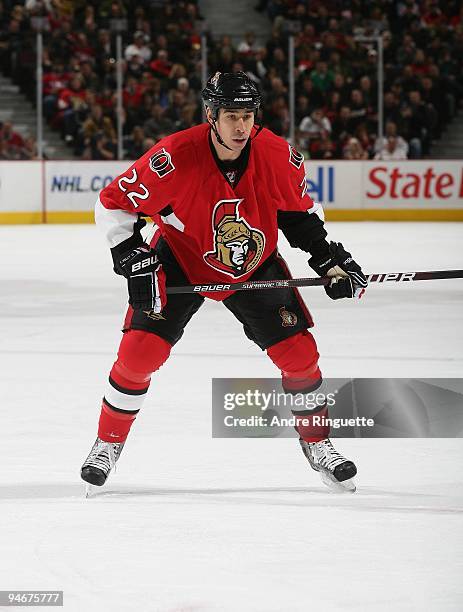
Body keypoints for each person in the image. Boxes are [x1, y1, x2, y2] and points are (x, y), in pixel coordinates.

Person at [80, 72, 368, 492]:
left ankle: (318, 443)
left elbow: (297, 214)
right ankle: (107, 443)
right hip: (182, 256)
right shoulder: (175, 156)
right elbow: (113, 206)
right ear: (211, 115)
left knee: (300, 355)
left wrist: (328, 259)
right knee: (138, 354)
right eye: (231, 116)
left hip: (253, 262)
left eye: (248, 116)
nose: (240, 127)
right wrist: (132, 258)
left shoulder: (275, 154)